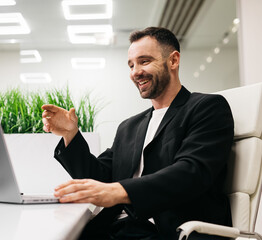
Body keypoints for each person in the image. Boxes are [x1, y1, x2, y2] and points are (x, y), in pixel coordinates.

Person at [41, 27, 234, 240]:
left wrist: (119, 191)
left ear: (173, 61)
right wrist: (71, 134)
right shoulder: (129, 127)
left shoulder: (206, 107)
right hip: (113, 229)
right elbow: (100, 177)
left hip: (168, 231)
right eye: (131, 65)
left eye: (144, 61)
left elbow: (191, 172)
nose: (135, 72)